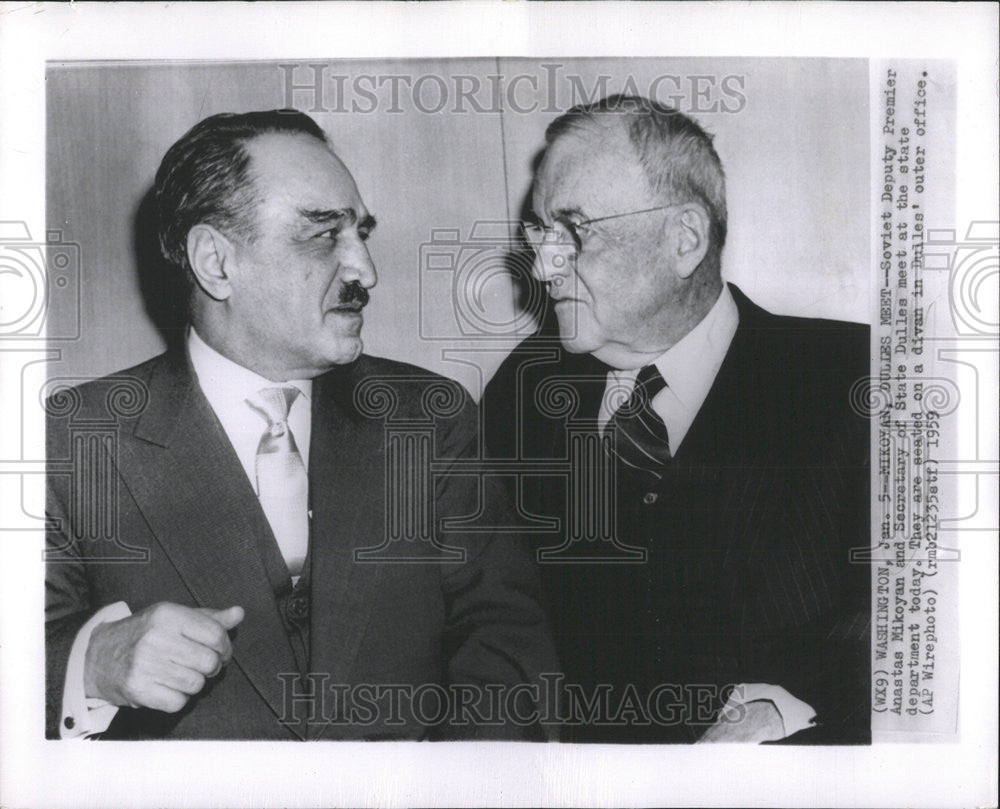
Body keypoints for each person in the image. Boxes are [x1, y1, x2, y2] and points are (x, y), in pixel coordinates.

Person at [46, 109, 555, 741]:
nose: (364, 270)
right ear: (216, 261)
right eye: (323, 235)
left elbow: (505, 643)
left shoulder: (431, 417)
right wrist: (92, 665)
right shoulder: (69, 442)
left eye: (361, 233)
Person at [482, 95, 870, 744]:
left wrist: (792, 709)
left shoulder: (856, 382)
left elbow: (933, 630)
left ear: (684, 239)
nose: (544, 265)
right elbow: (485, 616)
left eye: (573, 229)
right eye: (538, 233)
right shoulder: (523, 391)